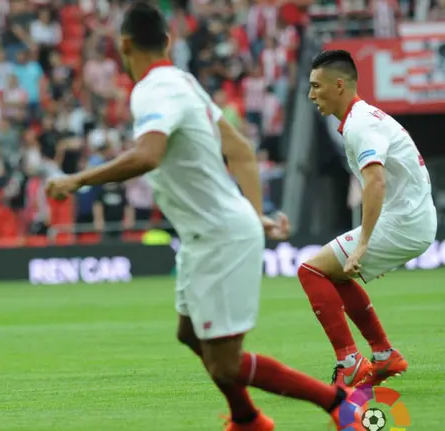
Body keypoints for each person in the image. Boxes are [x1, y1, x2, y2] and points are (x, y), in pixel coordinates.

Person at [45, 4, 362, 431]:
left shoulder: (153, 90)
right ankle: (246, 418)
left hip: (219, 238)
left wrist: (76, 180)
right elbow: (242, 151)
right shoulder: (183, 82)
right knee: (189, 334)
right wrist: (255, 215)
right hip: (207, 235)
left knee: (227, 363)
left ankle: (339, 405)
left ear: (124, 46)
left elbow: (148, 154)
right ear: (169, 42)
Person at [300, 49, 436, 387]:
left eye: (317, 86)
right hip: (412, 219)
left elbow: (375, 180)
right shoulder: (363, 118)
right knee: (337, 274)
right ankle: (384, 355)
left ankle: (350, 362)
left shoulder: (360, 124)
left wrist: (362, 245)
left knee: (311, 271)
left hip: (404, 221)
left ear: (340, 85)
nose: (311, 95)